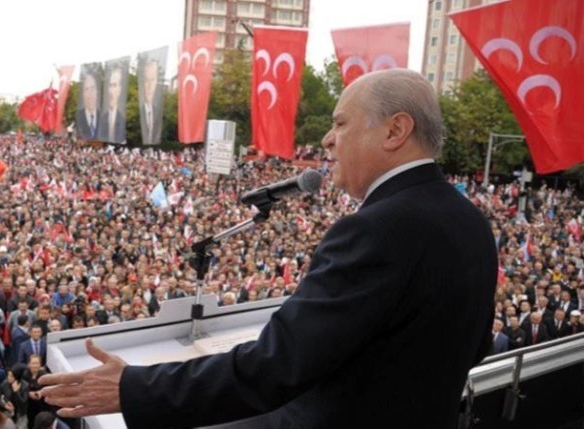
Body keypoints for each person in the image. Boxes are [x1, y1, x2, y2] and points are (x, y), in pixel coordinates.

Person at [39, 69, 498, 428]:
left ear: (395, 130)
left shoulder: (377, 229)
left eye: (340, 123)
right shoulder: (470, 220)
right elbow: (472, 347)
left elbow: (275, 368)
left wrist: (133, 387)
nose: (326, 139)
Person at [98, 66, 127, 144]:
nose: (111, 91)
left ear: (120, 89)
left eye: (114, 85)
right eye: (110, 86)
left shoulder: (122, 119)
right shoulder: (103, 118)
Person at [139, 60, 163, 145]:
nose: (149, 86)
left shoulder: (157, 112)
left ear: (156, 81)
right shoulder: (139, 111)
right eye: (146, 80)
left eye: (152, 80)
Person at [75, 72, 100, 141]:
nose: (90, 94)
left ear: (97, 92)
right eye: (86, 89)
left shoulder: (103, 117)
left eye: (92, 88)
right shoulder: (78, 116)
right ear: (82, 94)